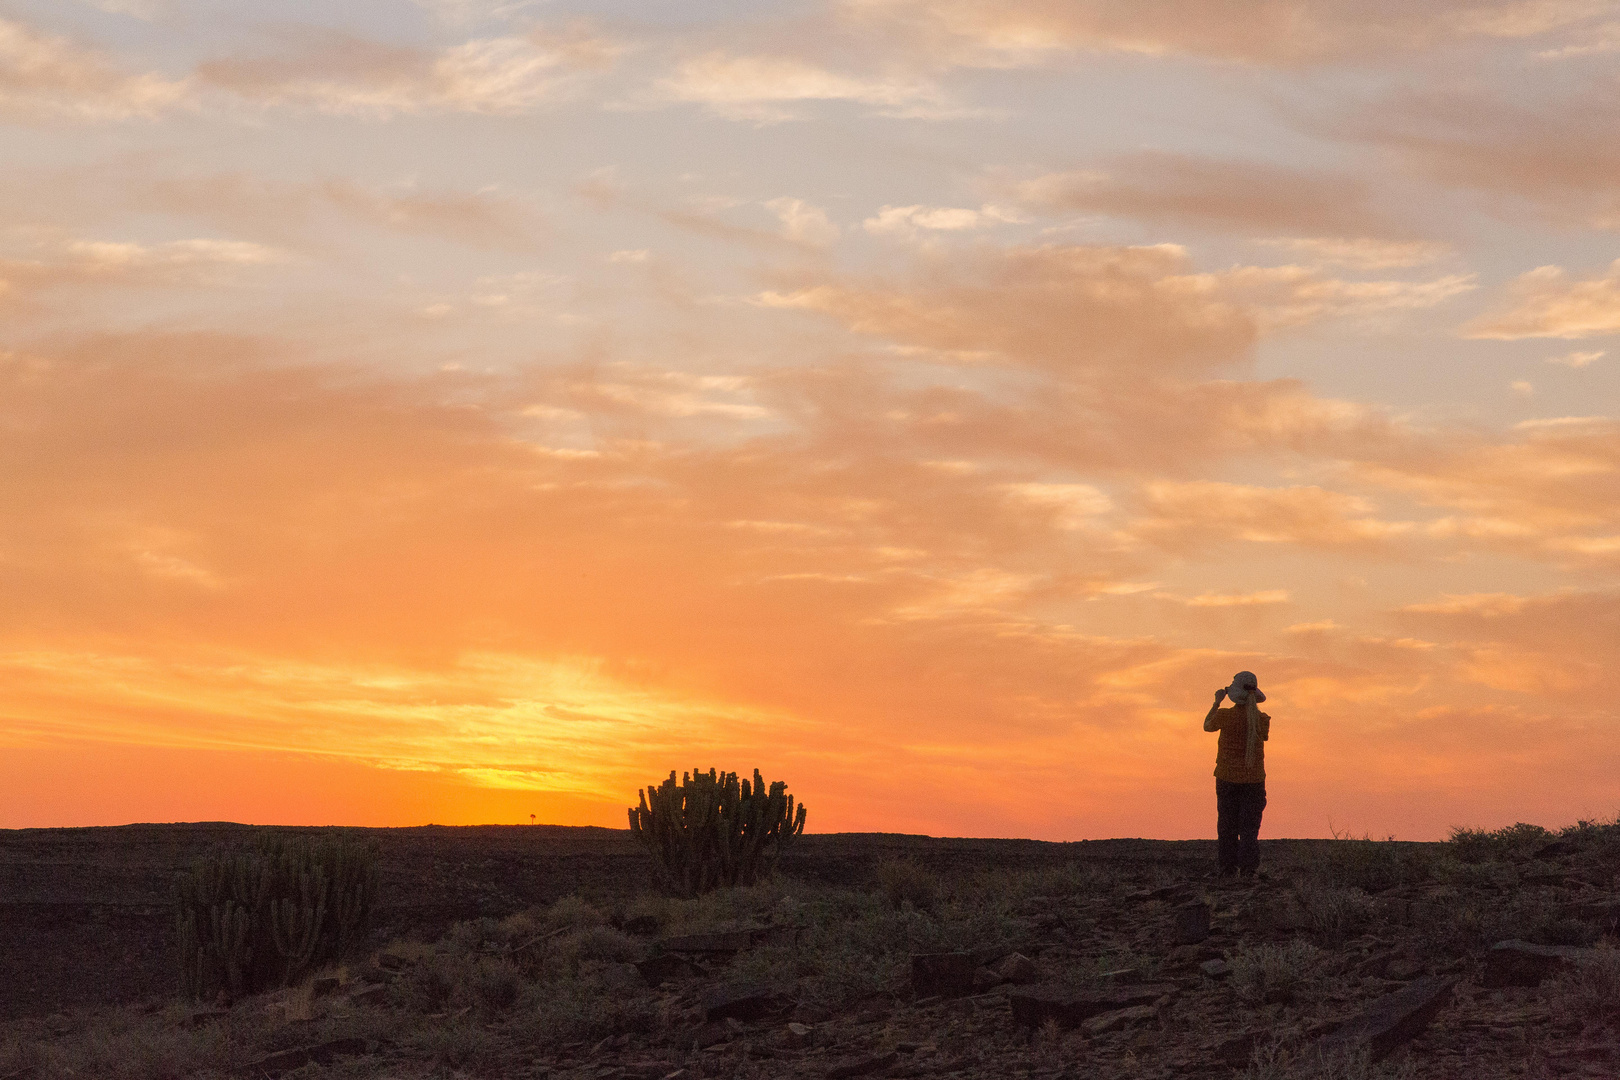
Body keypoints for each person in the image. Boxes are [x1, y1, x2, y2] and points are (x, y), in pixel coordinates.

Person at [1204, 671, 1270, 879]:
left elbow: (1207, 725)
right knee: (1249, 827)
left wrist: (1217, 702)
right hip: (1254, 780)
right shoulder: (1262, 720)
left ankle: (1227, 869)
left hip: (1226, 777)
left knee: (1227, 824)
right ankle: (1249, 870)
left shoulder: (1225, 715)